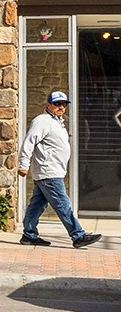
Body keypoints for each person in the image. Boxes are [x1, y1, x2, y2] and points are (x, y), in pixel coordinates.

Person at [18, 90, 98, 248]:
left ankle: (29, 234)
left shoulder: (57, 121)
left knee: (37, 204)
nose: (61, 107)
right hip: (48, 171)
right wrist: (23, 164)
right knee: (63, 204)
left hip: (52, 170)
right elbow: (29, 142)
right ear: (48, 104)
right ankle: (78, 235)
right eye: (57, 104)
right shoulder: (42, 121)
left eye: (64, 104)